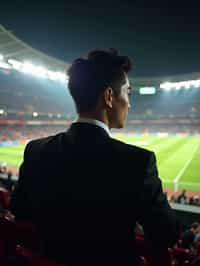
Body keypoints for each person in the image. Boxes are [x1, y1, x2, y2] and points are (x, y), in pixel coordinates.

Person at [10, 49, 179, 266]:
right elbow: (167, 234)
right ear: (109, 97)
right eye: (128, 93)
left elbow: (19, 209)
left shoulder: (36, 150)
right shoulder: (137, 162)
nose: (129, 103)